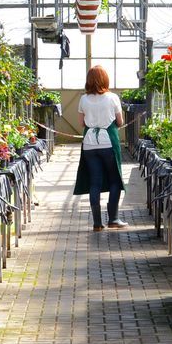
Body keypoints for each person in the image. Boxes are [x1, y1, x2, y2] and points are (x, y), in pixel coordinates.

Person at [72, 65, 125, 231]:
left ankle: (97, 223)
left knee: (95, 181)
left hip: (89, 144)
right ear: (105, 79)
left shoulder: (83, 99)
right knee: (114, 179)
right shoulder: (112, 98)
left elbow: (81, 123)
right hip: (108, 142)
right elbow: (120, 122)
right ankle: (113, 219)